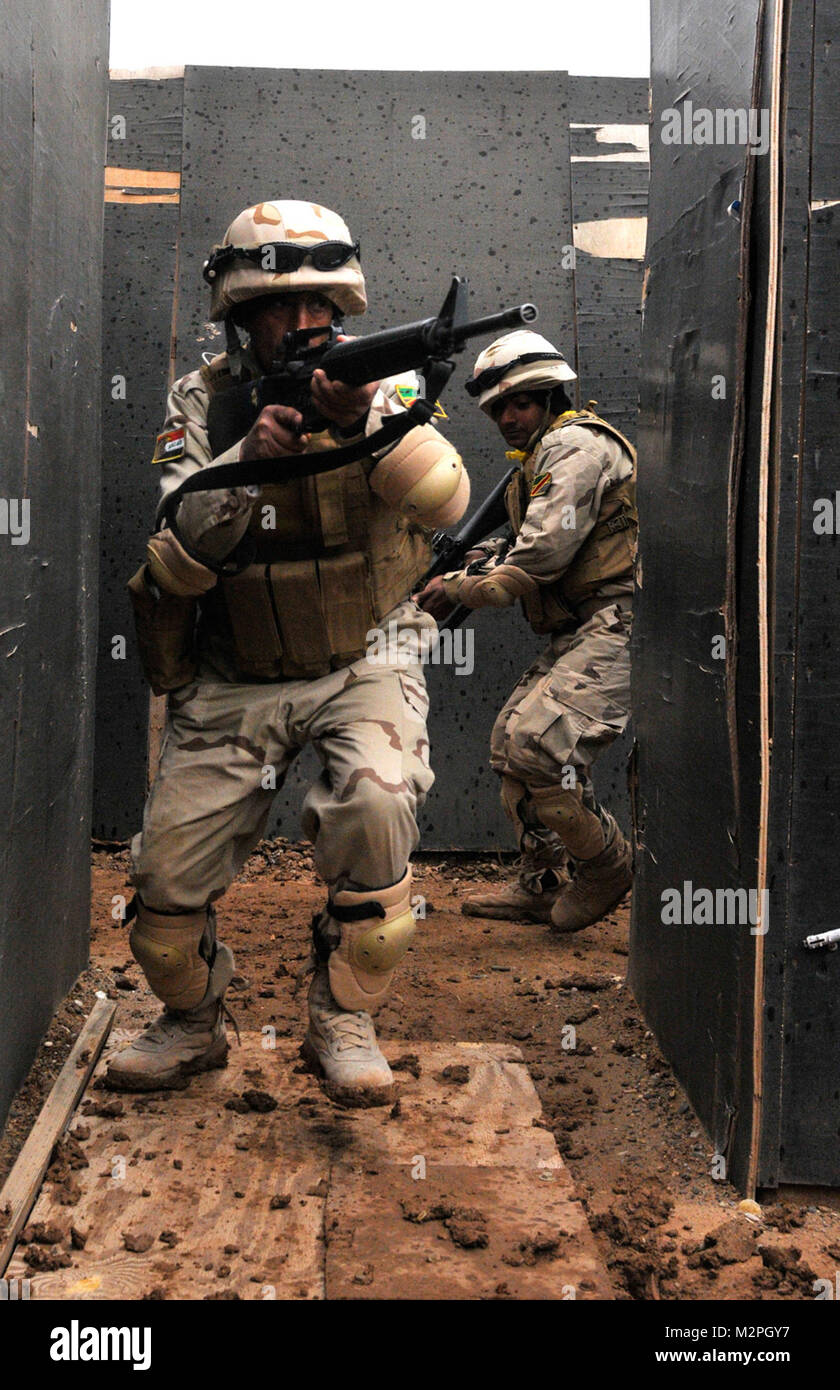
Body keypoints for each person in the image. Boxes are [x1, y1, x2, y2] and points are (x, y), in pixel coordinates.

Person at [106, 200, 469, 1102]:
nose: (307, 325)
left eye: (321, 307)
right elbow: (178, 556)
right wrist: (249, 459)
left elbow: (447, 503)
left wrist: (355, 427)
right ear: (239, 312)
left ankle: (342, 1018)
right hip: (237, 670)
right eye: (281, 306)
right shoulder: (201, 402)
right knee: (160, 900)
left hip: (363, 657)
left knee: (379, 809)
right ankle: (194, 1023)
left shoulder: (380, 385)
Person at [416, 329, 635, 932]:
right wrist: (468, 562)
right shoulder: (538, 462)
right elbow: (517, 539)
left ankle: (608, 864)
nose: (509, 418)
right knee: (511, 747)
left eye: (521, 402)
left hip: (620, 623)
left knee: (540, 747)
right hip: (585, 626)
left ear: (550, 397)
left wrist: (459, 587)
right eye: (497, 409)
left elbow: (541, 556)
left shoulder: (576, 448)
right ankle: (543, 883)